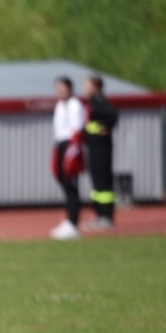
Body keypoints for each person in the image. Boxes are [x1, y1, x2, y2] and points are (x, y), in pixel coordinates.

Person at [50, 76, 86, 240]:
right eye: (57, 88)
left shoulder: (74, 105)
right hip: (61, 145)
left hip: (71, 145)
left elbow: (77, 129)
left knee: (71, 185)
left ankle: (73, 223)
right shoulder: (59, 105)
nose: (59, 91)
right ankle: (69, 220)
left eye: (62, 88)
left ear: (70, 89)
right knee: (63, 182)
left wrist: (72, 154)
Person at [82, 76, 118, 231]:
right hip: (94, 146)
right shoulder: (93, 101)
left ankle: (106, 217)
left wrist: (106, 127)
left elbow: (112, 114)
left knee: (102, 181)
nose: (85, 88)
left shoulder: (98, 100)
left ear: (95, 87)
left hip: (101, 147)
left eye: (87, 85)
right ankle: (100, 215)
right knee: (97, 182)